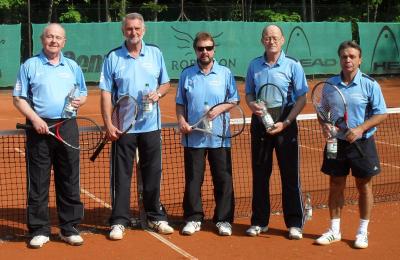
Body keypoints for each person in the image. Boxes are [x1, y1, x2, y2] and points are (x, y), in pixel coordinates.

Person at [99, 12, 173, 240]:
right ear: (123, 31)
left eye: (137, 29)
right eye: (129, 29)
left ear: (144, 30)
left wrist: (158, 93)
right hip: (124, 129)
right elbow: (105, 92)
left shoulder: (156, 53)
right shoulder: (113, 57)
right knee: (121, 175)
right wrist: (108, 124)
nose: (133, 32)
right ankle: (119, 221)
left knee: (153, 173)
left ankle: (155, 216)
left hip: (151, 126)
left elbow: (166, 83)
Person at [13, 23, 87, 248]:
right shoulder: (30, 65)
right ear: (42, 39)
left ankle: (69, 227)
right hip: (39, 128)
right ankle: (40, 229)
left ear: (64, 42)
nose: (54, 41)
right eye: (50, 37)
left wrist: (79, 101)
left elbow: (83, 92)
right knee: (38, 180)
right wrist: (35, 119)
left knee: (69, 177)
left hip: (67, 126)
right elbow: (19, 98)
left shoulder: (72, 66)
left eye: (58, 38)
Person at [315, 41, 387, 249]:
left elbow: (381, 113)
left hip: (362, 144)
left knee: (364, 186)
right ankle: (334, 231)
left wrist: (361, 128)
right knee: (335, 185)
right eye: (344, 56)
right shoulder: (330, 85)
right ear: (340, 59)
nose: (348, 60)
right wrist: (326, 125)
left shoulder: (369, 84)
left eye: (352, 56)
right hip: (336, 143)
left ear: (359, 59)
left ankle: (362, 232)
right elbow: (323, 112)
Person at [244, 25, 308, 239]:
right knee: (261, 175)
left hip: (286, 124)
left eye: (275, 37)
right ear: (262, 40)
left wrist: (287, 122)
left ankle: (295, 223)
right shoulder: (254, 65)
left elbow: (301, 98)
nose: (271, 41)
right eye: (267, 37)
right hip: (260, 123)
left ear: (282, 40)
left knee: (290, 176)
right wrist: (252, 106)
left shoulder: (293, 65)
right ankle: (259, 222)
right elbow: (250, 94)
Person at [176, 32, 238, 236]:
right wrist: (182, 121)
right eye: (201, 48)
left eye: (208, 48)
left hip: (220, 137)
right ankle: (193, 218)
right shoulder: (187, 74)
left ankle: (224, 220)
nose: (205, 52)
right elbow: (180, 103)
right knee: (194, 179)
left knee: (223, 179)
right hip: (193, 137)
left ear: (214, 50)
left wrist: (219, 109)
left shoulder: (225, 73)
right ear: (195, 50)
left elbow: (234, 100)